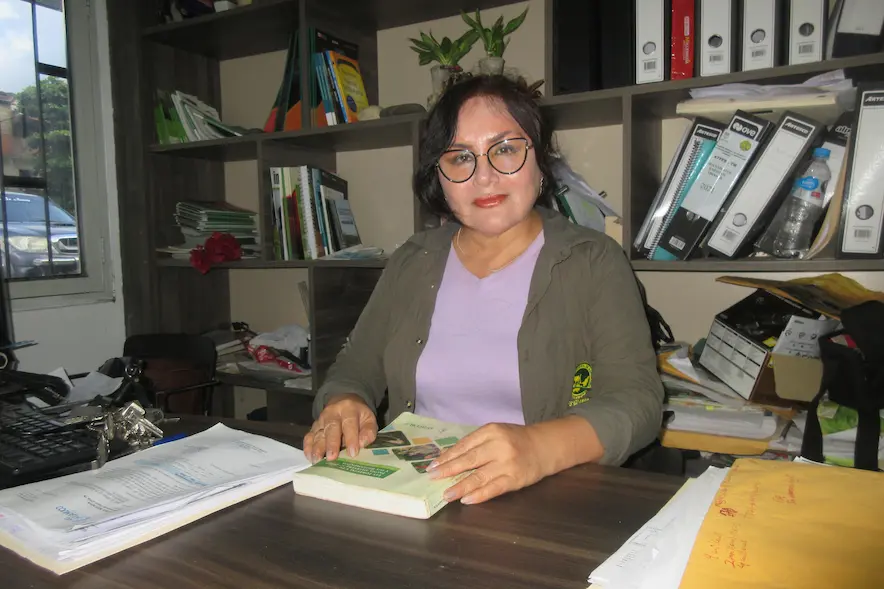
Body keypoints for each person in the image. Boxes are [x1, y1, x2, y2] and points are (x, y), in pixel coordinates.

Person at [304, 75, 663, 506]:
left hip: (540, 500)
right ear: (440, 176)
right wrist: (343, 401)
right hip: (417, 494)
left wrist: (537, 448)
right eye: (460, 158)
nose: (485, 176)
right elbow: (354, 368)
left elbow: (638, 401)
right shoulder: (411, 260)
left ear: (540, 160)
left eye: (506, 149)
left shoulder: (593, 260)